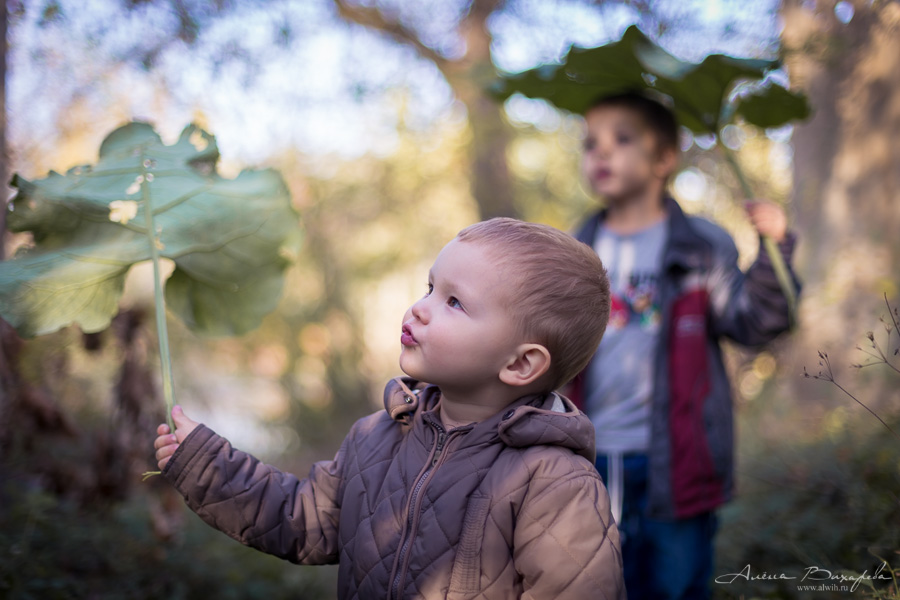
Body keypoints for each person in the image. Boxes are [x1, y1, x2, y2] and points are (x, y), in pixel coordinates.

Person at [153, 217, 625, 600]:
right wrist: (205, 463)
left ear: (521, 363)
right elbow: (301, 522)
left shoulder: (555, 485)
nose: (420, 308)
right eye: (430, 288)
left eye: (455, 303)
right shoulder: (375, 437)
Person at [568, 91, 800, 600]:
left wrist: (775, 249)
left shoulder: (702, 245)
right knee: (596, 585)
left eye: (622, 139)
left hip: (679, 461)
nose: (601, 153)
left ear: (665, 158)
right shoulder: (573, 251)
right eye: (590, 144)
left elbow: (757, 321)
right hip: (587, 459)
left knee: (676, 585)